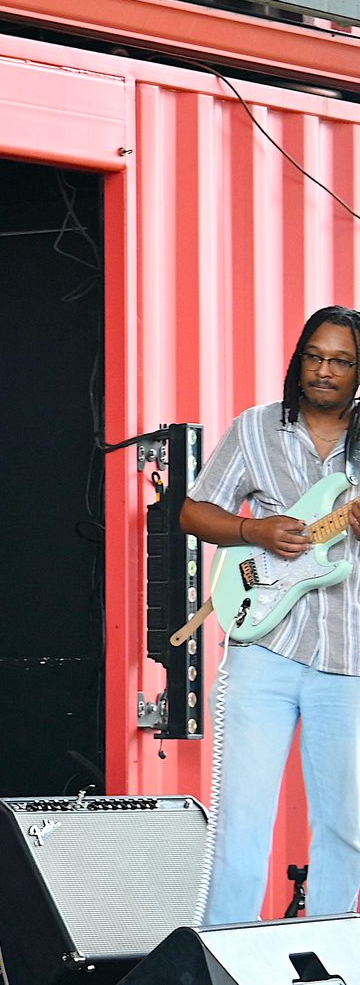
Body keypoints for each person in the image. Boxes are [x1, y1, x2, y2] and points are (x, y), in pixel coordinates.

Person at [180, 305, 360, 924]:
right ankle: (226, 949)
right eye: (314, 356)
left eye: (341, 361)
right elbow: (194, 512)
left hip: (350, 656)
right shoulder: (256, 428)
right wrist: (253, 530)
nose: (324, 370)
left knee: (347, 823)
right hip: (263, 646)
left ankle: (331, 950)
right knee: (242, 815)